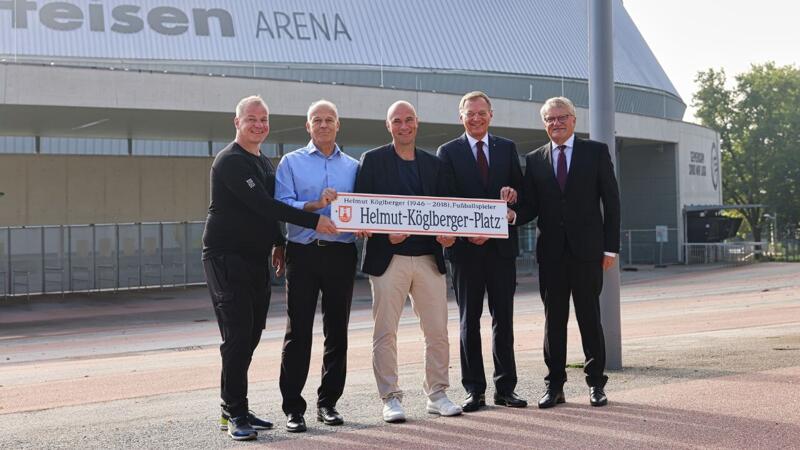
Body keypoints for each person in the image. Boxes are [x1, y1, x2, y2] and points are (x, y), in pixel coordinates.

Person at [201, 95, 337, 441]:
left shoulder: (262, 161)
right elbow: (263, 204)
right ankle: (235, 411)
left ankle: (233, 407)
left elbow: (268, 209)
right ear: (237, 123)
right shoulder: (230, 161)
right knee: (237, 335)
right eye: (252, 119)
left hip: (255, 259)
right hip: (225, 258)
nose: (259, 125)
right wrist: (314, 221)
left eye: (264, 120)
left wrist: (278, 242)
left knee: (253, 333)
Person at [354, 100, 462, 423]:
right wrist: (386, 234)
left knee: (437, 331)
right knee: (385, 331)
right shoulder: (371, 161)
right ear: (389, 126)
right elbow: (362, 214)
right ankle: (390, 397)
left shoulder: (434, 164)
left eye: (409, 120)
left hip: (429, 258)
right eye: (397, 121)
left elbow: (448, 209)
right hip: (390, 260)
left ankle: (438, 393)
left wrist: (449, 235)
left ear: (417, 123)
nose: (404, 126)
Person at [518, 96, 620, 408]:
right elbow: (529, 208)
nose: (556, 123)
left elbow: (612, 202)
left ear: (574, 120)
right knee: (554, 322)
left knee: (590, 319)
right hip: (551, 255)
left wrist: (610, 249)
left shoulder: (595, 152)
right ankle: (555, 386)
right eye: (550, 119)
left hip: (588, 253)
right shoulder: (535, 159)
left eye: (562, 117)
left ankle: (596, 384)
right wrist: (508, 212)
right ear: (544, 123)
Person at [436, 91, 527, 412]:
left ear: (491, 114)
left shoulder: (507, 148)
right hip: (465, 253)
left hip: (501, 251)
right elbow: (445, 200)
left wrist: (513, 197)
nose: (476, 118)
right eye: (469, 113)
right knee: (468, 321)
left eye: (481, 112)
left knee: (504, 320)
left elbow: (522, 196)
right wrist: (465, 235)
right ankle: (474, 390)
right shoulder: (447, 152)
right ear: (460, 116)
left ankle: (506, 388)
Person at [274, 100, 359, 433]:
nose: (323, 125)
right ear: (307, 126)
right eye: (317, 120)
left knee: (337, 331)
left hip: (341, 254)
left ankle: (329, 403)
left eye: (329, 119)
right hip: (304, 252)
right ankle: (294, 407)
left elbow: (361, 208)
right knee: (299, 332)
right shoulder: (290, 162)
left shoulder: (354, 166)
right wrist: (315, 211)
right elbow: (282, 205)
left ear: (338, 125)